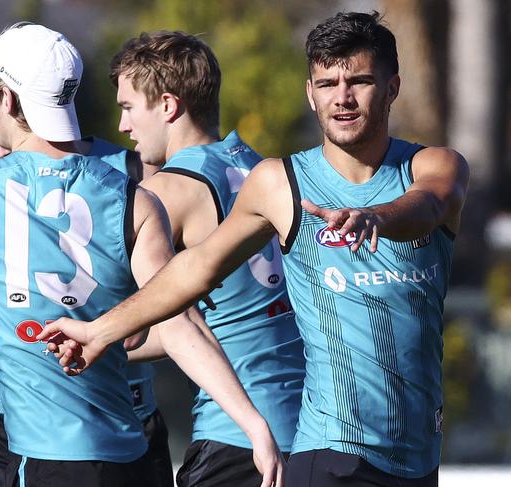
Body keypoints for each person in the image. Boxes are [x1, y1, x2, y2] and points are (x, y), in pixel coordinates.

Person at [38, 11, 469, 487]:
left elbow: (429, 205)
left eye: (360, 81)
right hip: (330, 452)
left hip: (419, 457)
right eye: (327, 84)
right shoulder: (277, 182)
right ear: (310, 92)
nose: (342, 97)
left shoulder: (434, 165)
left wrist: (376, 217)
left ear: (392, 88)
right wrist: (100, 330)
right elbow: (194, 271)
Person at [0, 23, 284, 487]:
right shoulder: (136, 196)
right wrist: (252, 423)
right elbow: (181, 324)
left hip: (33, 456)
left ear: (8, 101)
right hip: (130, 454)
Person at [0, 56, 173, 487]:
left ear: (12, 103)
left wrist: (93, 341)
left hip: (123, 420)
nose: (0, 152)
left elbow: (176, 312)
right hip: (14, 426)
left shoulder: (132, 177)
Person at [107, 31, 304, 487]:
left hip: (237, 433)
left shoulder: (166, 193)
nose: (124, 126)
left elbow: (140, 331)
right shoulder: (267, 170)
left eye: (129, 107)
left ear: (169, 106)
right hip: (306, 426)